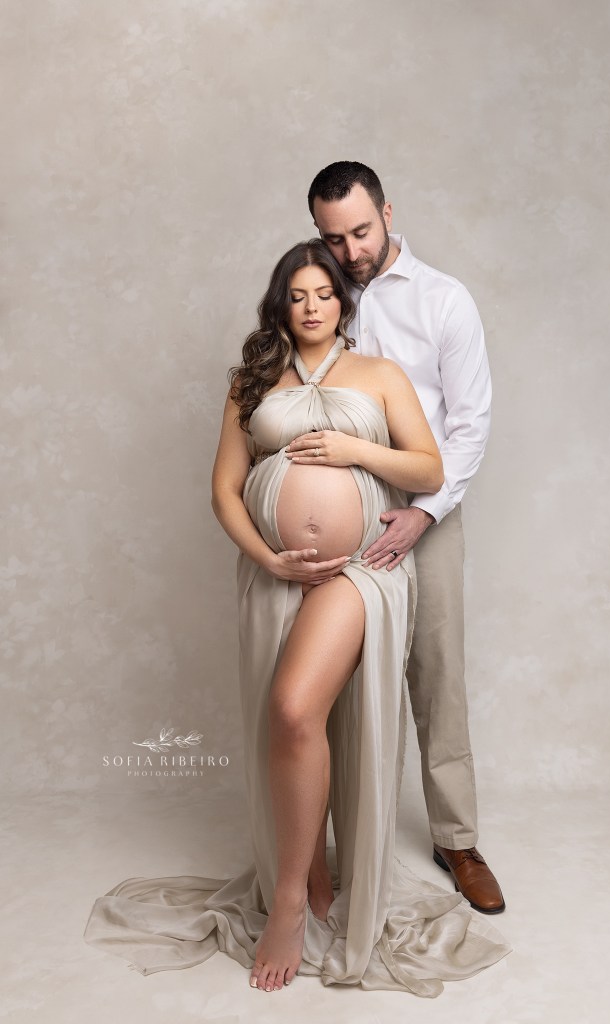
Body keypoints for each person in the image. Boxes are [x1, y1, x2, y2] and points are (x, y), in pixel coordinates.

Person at [82, 240, 510, 997]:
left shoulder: (379, 375)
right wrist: (269, 557)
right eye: (297, 295)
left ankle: (287, 901)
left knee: (292, 705)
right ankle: (307, 879)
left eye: (324, 293)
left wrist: (352, 448)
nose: (311, 307)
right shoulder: (252, 382)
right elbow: (223, 489)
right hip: (276, 577)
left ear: (344, 302)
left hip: (360, 572)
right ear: (280, 304)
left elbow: (429, 468)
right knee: (290, 725)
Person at [307, 161, 505, 914]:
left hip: (426, 511)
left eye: (360, 230)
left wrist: (424, 511)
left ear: (388, 212)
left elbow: (469, 423)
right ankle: (334, 844)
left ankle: (456, 839)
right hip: (341, 508)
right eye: (333, 236)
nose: (350, 249)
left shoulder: (444, 299)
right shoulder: (316, 295)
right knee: (336, 680)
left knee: (435, 672)